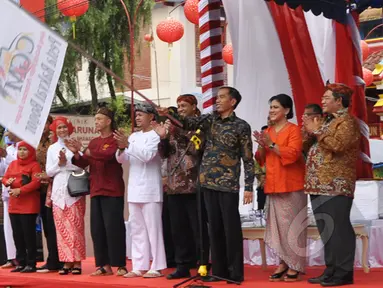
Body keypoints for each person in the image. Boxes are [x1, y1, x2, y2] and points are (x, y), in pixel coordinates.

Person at [158, 86, 254, 283]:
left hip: (227, 183)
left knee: (231, 228)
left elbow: (248, 157)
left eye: (221, 97)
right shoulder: (209, 120)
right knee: (214, 228)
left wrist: (249, 186)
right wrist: (170, 114)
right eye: (217, 97)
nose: (217, 101)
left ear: (232, 101)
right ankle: (218, 271)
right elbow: (187, 121)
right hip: (207, 182)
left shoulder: (241, 126)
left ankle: (235, 272)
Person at [304, 82, 359, 287]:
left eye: (327, 98)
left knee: (339, 228)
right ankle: (331, 269)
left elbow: (338, 146)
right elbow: (310, 146)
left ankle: (344, 272)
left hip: (336, 184)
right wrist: (309, 130)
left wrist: (318, 131)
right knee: (326, 229)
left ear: (339, 101)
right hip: (317, 184)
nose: (322, 101)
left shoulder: (348, 123)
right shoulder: (327, 121)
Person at [67, 107, 127, 276]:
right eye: (96, 119)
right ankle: (104, 265)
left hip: (112, 189)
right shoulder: (93, 142)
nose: (97, 122)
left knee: (113, 227)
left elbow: (107, 155)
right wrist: (76, 154)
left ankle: (120, 264)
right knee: (97, 229)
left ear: (108, 121)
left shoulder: (115, 140)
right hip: (96, 189)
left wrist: (85, 150)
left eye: (100, 119)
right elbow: (84, 162)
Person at [254, 94, 306, 282]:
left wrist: (271, 144)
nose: (272, 110)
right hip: (273, 184)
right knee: (278, 228)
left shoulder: (294, 130)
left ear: (286, 110)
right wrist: (262, 146)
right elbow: (260, 159)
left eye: (276, 107)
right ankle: (283, 262)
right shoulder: (268, 130)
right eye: (271, 107)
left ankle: (295, 265)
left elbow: (293, 154)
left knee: (293, 227)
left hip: (292, 184)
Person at [114, 103, 167, 278]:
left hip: (151, 188)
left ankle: (157, 265)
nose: (137, 118)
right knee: (137, 229)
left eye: (141, 114)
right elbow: (122, 160)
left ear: (151, 117)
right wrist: (122, 147)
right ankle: (139, 265)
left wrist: (127, 143)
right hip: (134, 188)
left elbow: (147, 156)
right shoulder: (134, 136)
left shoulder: (155, 135)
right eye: (136, 115)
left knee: (154, 228)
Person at [161, 95, 210, 280]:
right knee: (178, 228)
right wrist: (164, 138)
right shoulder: (172, 127)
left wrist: (178, 127)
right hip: (174, 186)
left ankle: (203, 264)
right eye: (178, 106)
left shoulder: (200, 125)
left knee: (197, 227)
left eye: (184, 105)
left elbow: (195, 148)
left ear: (194, 107)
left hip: (193, 185)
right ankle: (182, 264)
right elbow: (164, 154)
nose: (180, 108)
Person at [46, 117, 86, 275]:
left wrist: (69, 161)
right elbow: (49, 171)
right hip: (58, 191)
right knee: (61, 230)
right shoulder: (52, 148)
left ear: (69, 128)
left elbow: (82, 164)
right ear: (55, 130)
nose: (62, 130)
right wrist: (59, 164)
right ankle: (67, 262)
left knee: (76, 228)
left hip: (74, 190)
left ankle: (77, 262)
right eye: (59, 128)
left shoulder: (74, 144)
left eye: (64, 127)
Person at [2, 141, 42, 273]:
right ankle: (21, 262)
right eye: (20, 149)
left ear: (31, 152)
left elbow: (36, 183)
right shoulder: (13, 164)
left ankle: (31, 263)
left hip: (28, 204)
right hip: (14, 204)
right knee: (17, 234)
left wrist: (20, 190)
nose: (22, 152)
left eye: (25, 149)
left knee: (28, 235)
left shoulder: (35, 165)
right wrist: (7, 182)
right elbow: (5, 177)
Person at [35, 115, 62, 273]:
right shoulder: (35, 142)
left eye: (46, 123)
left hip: (54, 188)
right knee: (46, 225)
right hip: (40, 189)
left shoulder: (55, 142)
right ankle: (52, 259)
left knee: (53, 226)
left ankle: (57, 260)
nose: (43, 126)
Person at [0, 132, 20, 269]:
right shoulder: (9, 149)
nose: (7, 134)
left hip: (21, 190)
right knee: (8, 225)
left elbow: (19, 162)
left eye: (9, 131)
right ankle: (11, 256)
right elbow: (2, 170)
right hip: (7, 190)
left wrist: (5, 156)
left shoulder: (24, 147)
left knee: (19, 225)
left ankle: (21, 256)